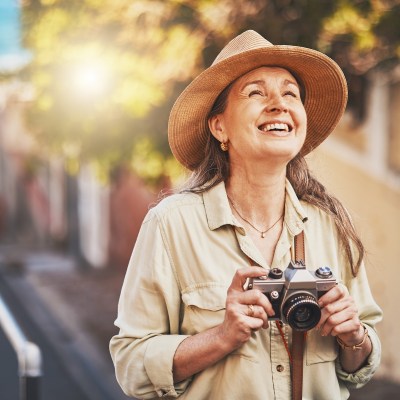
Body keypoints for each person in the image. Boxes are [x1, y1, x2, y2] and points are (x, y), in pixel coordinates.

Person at [109, 30, 382, 400]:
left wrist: (355, 337)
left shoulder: (329, 225)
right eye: (256, 93)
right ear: (219, 126)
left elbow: (356, 371)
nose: (278, 104)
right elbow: (131, 366)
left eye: (290, 94)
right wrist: (220, 337)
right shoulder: (171, 224)